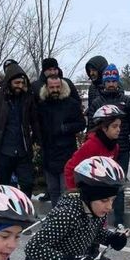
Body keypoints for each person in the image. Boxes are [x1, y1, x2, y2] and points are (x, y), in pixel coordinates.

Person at [87, 64, 130, 227]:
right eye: (108, 81)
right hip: (102, 150)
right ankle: (100, 219)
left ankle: (119, 221)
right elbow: (90, 127)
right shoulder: (97, 102)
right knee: (102, 185)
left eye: (114, 81)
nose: (111, 84)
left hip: (123, 149)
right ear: (104, 82)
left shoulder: (126, 101)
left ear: (118, 82)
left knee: (118, 186)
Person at [0, 63, 39, 197]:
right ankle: (5, 212)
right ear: (9, 81)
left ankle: (24, 210)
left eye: (22, 83)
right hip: (2, 151)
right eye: (17, 82)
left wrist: (35, 139)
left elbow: (34, 121)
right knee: (3, 186)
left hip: (23, 150)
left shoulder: (27, 98)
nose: (20, 86)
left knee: (27, 183)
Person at [37, 74, 86, 207]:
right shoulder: (41, 106)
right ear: (47, 88)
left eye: (57, 87)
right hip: (49, 153)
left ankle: (67, 220)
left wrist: (66, 128)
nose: (55, 90)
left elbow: (82, 123)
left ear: (62, 86)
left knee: (67, 191)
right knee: (53, 191)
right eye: (52, 87)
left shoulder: (71, 104)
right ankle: (55, 220)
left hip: (66, 153)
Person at [64, 105, 121, 191]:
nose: (118, 129)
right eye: (114, 126)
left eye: (119, 126)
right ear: (104, 128)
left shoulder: (115, 146)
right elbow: (70, 167)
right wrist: (74, 191)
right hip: (89, 191)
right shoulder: (91, 145)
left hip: (102, 191)